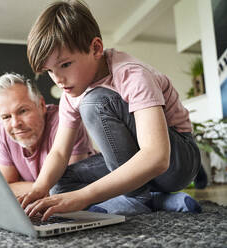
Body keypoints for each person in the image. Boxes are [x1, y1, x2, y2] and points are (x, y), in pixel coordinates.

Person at [19, 0, 204, 220]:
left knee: (95, 102)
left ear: (96, 48)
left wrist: (85, 196)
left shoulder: (132, 75)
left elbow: (156, 156)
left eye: (65, 64)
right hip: (139, 163)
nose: (58, 79)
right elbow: (59, 153)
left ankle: (136, 199)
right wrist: (39, 189)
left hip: (177, 162)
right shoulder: (70, 91)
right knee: (60, 186)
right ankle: (158, 200)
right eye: (49, 70)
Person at [0, 72, 96, 197]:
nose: (16, 123)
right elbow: (5, 187)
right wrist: (42, 189)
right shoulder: (2, 129)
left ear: (42, 105)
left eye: (22, 111)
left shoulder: (66, 123)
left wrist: (25, 188)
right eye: (6, 117)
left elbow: (68, 190)